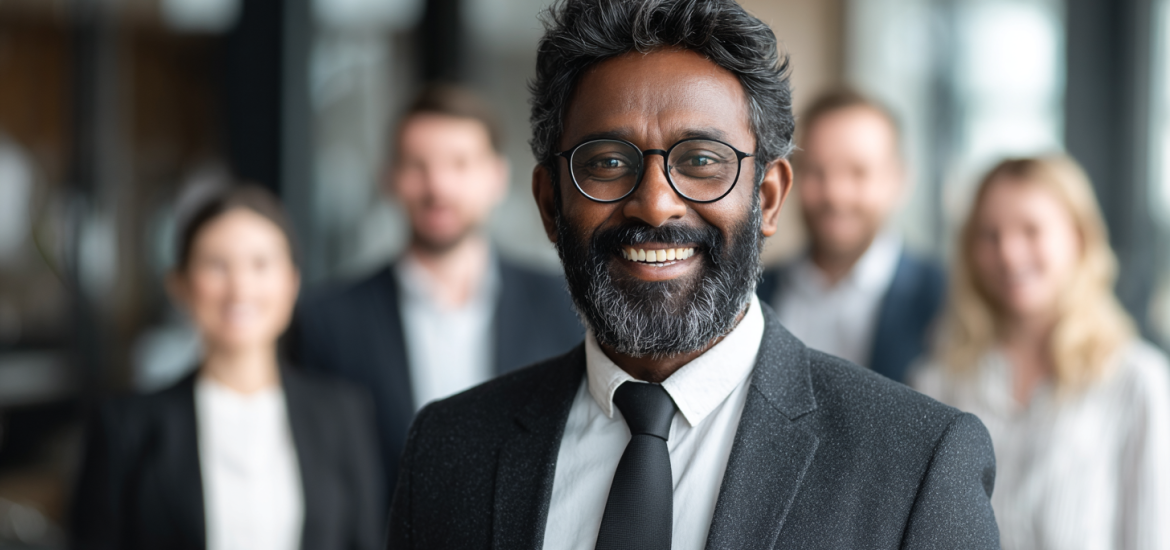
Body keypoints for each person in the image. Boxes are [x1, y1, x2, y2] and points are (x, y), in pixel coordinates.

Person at [386, 1, 999, 548]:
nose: (655, 204)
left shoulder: (916, 463)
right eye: (606, 162)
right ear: (550, 203)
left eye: (702, 161)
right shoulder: (449, 450)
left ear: (770, 198)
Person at [287, 85, 582, 502]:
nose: (438, 186)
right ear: (388, 178)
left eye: (459, 164)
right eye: (417, 165)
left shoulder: (562, 305)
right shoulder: (327, 321)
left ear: (498, 177)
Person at [72, 186, 383, 550]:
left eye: (261, 264)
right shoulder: (125, 426)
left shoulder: (343, 415)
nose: (240, 288)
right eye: (217, 265)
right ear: (180, 285)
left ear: (292, 283)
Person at [912, 156, 1170, 550]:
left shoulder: (1136, 381)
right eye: (989, 235)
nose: (1009, 254)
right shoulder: (936, 380)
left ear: (1079, 238)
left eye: (1032, 231)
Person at [757, 89, 944, 383]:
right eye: (816, 171)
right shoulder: (753, 293)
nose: (835, 194)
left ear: (898, 180)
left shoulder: (943, 300)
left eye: (857, 173)